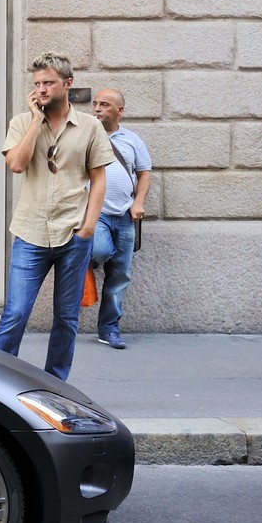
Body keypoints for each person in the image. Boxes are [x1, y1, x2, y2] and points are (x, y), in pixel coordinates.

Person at [0, 54, 113, 380]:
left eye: (48, 83)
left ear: (67, 84)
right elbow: (17, 165)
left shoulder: (89, 127)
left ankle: (55, 383)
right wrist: (35, 121)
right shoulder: (21, 122)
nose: (41, 89)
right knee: (16, 312)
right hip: (30, 232)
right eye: (37, 84)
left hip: (73, 232)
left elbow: (99, 179)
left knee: (66, 317)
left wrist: (89, 226)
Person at [89, 87, 151, 349]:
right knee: (101, 250)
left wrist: (138, 203)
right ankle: (88, 257)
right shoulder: (87, 135)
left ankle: (108, 329)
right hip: (96, 213)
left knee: (120, 275)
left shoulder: (132, 140)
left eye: (104, 104)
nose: (97, 108)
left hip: (125, 214)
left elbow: (144, 173)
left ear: (120, 110)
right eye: (95, 103)